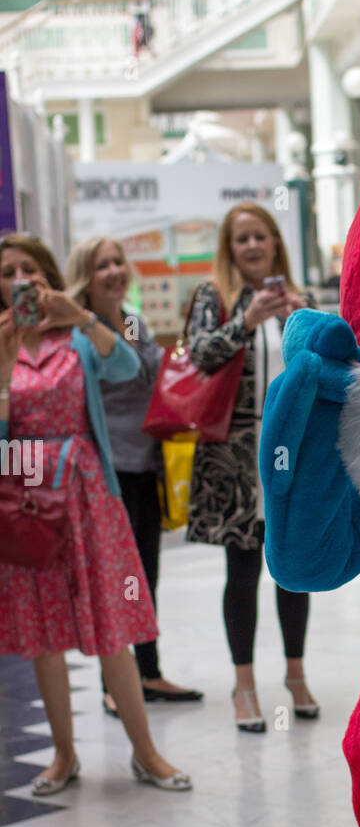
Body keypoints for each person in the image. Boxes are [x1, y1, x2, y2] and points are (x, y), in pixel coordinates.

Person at [0, 234, 191, 794]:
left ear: (47, 277)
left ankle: (146, 753)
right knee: (43, 633)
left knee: (113, 625)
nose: (18, 281)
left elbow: (129, 364)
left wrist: (80, 314)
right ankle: (63, 755)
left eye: (28, 269)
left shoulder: (76, 335)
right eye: (6, 272)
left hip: (89, 491)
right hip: (28, 495)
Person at [185, 202, 319, 731]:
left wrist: (299, 318)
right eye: (241, 239)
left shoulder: (297, 299)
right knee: (241, 570)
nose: (252, 246)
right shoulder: (213, 296)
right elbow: (199, 355)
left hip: (293, 450)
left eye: (261, 236)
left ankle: (295, 672)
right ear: (230, 247)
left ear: (275, 243)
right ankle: (243, 684)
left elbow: (328, 363)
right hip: (234, 454)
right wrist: (246, 321)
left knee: (293, 567)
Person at [66, 236, 203, 715]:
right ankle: (114, 680)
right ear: (87, 274)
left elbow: (151, 376)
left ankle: (148, 672)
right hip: (107, 472)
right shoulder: (78, 332)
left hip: (144, 466)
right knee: (113, 579)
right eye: (102, 265)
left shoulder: (131, 321)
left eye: (117, 262)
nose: (113, 272)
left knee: (144, 575)